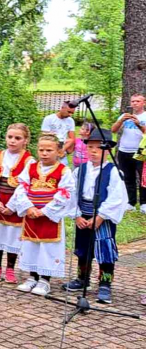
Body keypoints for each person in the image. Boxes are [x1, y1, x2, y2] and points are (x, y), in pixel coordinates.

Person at [63, 128, 128, 304]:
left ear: (108, 150)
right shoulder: (80, 170)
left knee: (105, 250)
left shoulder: (114, 172)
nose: (92, 151)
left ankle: (105, 283)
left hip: (102, 218)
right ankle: (82, 278)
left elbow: (117, 197)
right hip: (83, 214)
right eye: (89, 147)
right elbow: (72, 193)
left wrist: (100, 217)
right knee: (83, 248)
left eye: (98, 148)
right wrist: (76, 215)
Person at [9, 134, 76, 296]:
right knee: (31, 245)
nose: (44, 153)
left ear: (59, 152)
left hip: (49, 217)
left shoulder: (63, 171)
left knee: (48, 248)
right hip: (31, 215)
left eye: (49, 150)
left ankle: (45, 280)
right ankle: (32, 276)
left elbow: (66, 193)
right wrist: (28, 207)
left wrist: (45, 211)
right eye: (41, 150)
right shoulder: (31, 167)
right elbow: (21, 188)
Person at [0, 124, 35, 284]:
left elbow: (25, 185)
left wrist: (12, 206)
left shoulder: (29, 160)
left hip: (15, 203)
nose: (12, 141)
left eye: (17, 138)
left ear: (25, 141)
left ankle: (10, 268)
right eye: (10, 137)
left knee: (13, 236)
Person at [110, 93, 146, 213]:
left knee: (143, 178)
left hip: (141, 150)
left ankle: (144, 203)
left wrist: (139, 124)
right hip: (124, 150)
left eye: (138, 101)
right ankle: (130, 202)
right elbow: (113, 130)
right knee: (127, 177)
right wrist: (121, 121)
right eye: (133, 101)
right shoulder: (125, 116)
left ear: (144, 103)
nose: (134, 103)